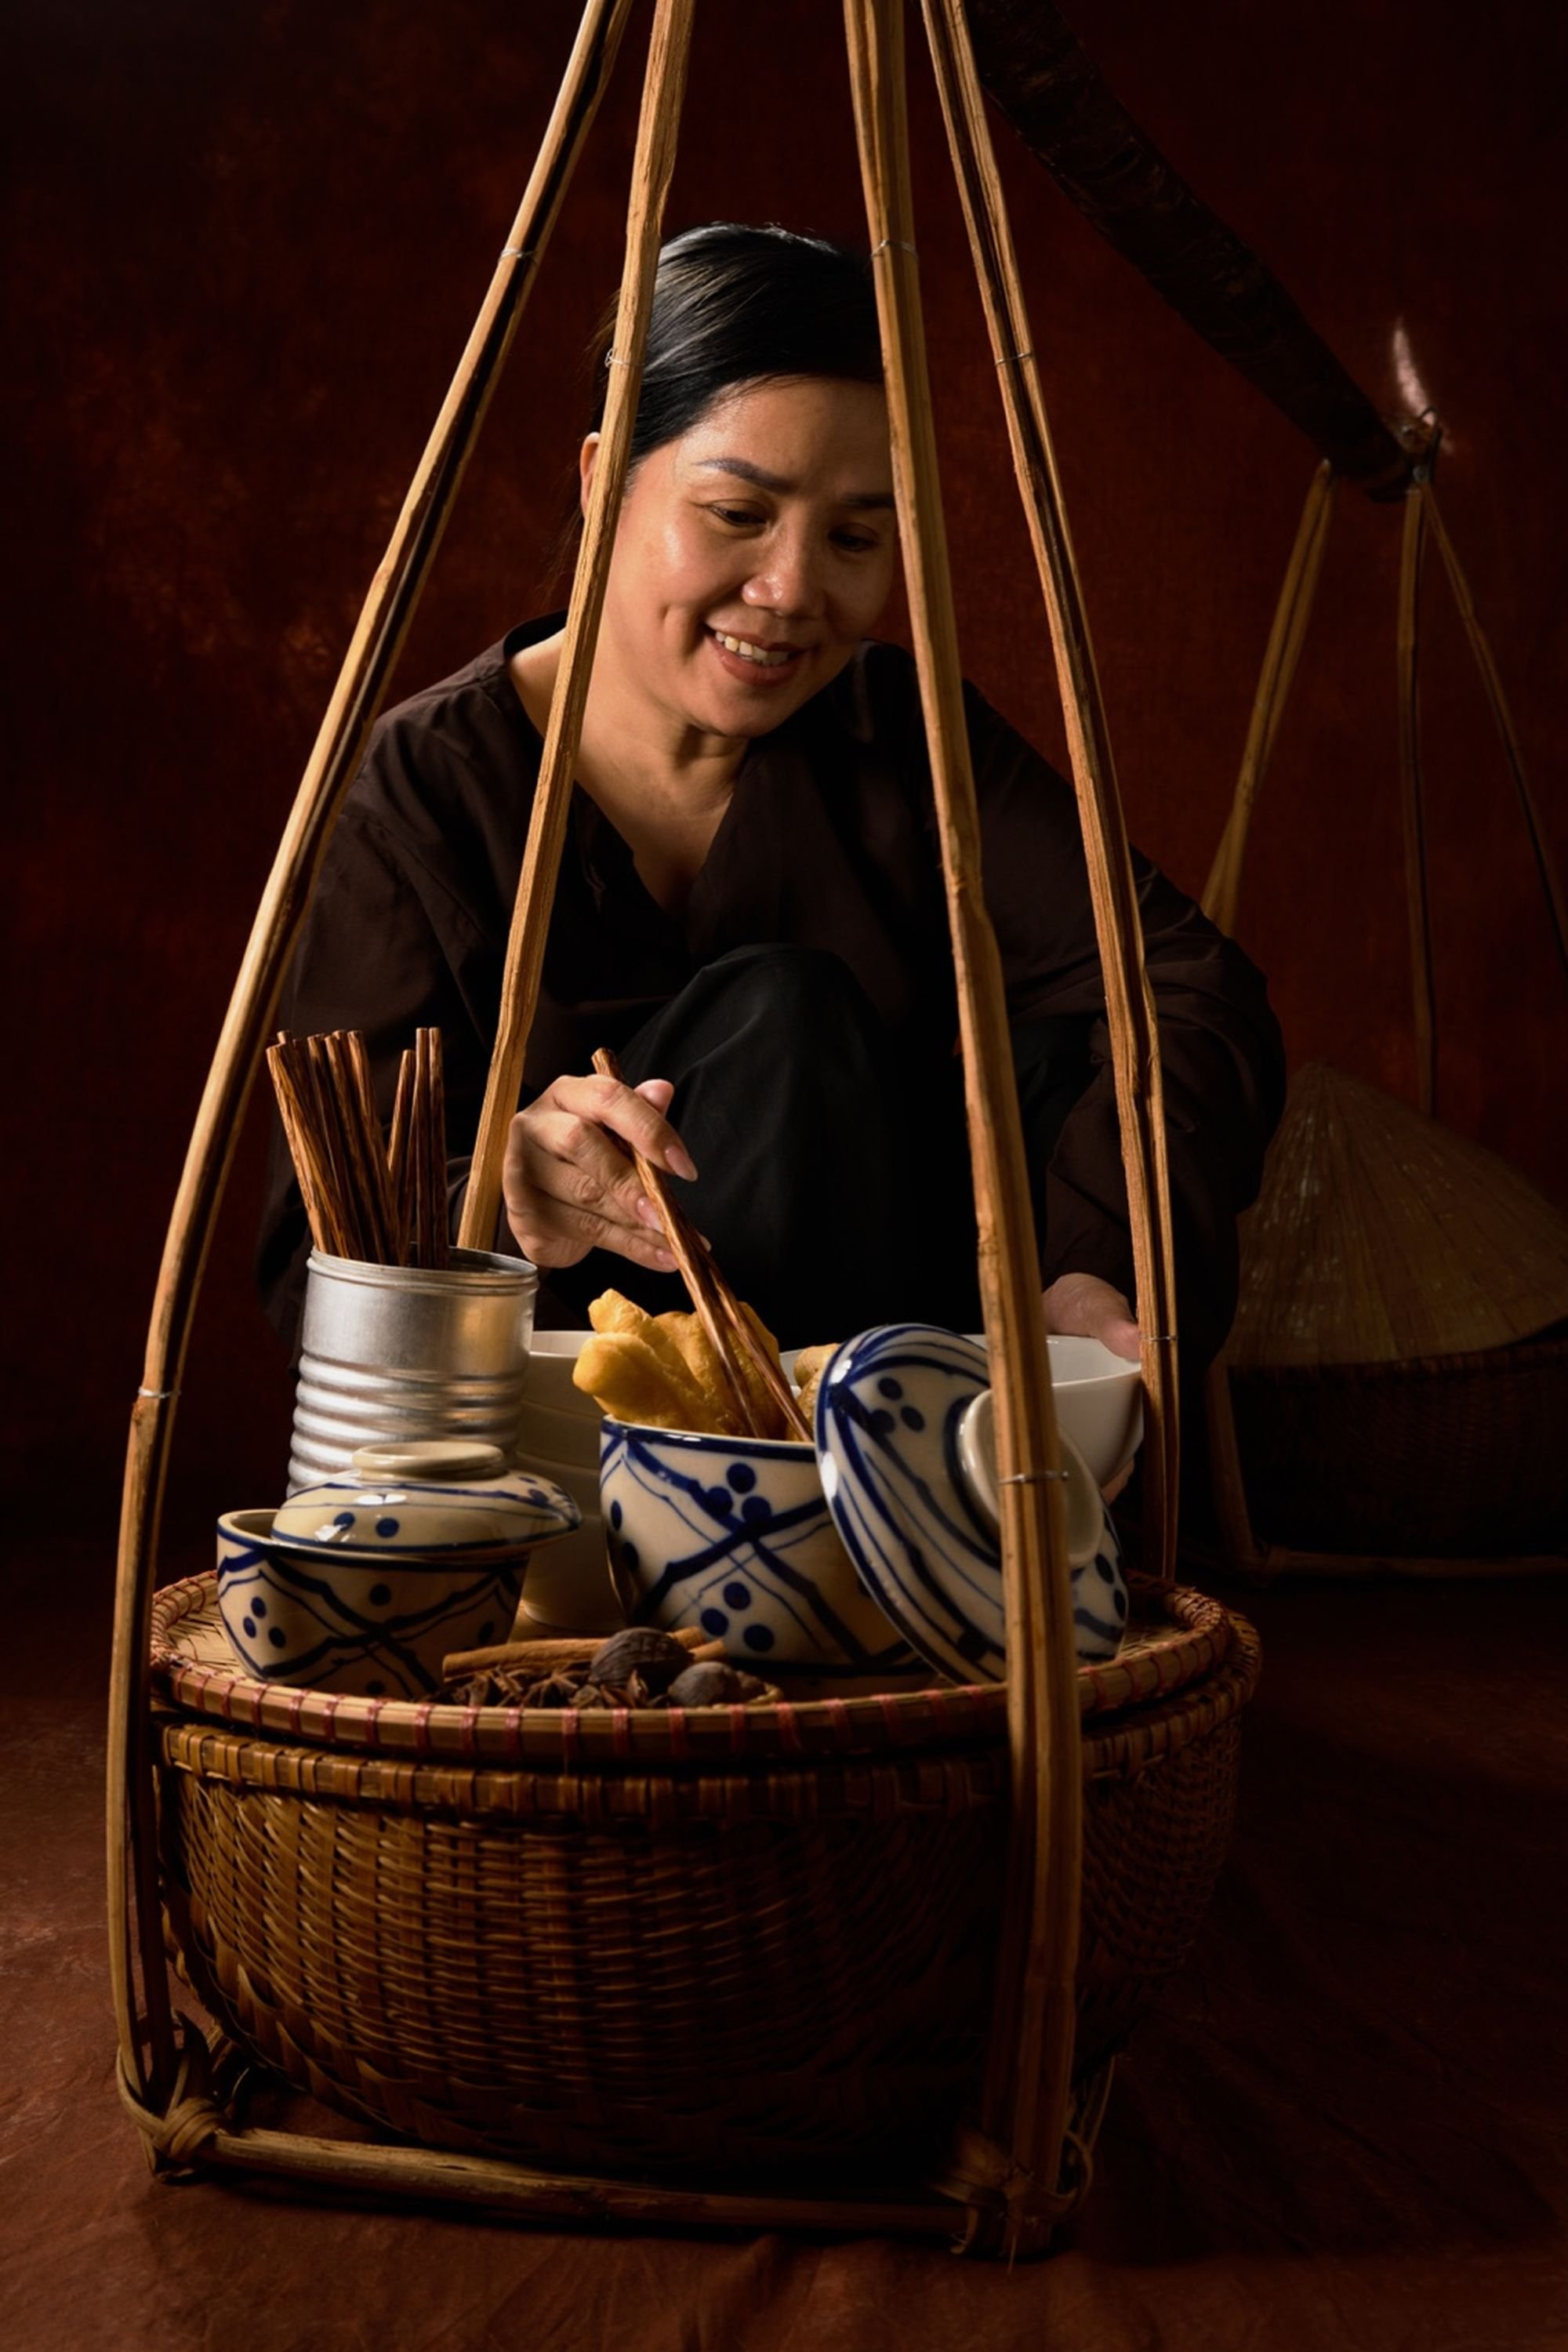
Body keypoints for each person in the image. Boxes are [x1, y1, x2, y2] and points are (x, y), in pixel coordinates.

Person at [259, 221, 1284, 1380]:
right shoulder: (428, 789)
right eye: (737, 515)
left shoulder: (898, 728)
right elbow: (313, 1247)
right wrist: (506, 1193)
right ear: (604, 480)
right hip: (578, 1411)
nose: (792, 591)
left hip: (897, 1367)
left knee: (1046, 1052)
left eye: (854, 535)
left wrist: (1097, 1261)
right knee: (779, 1019)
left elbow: (1188, 986)